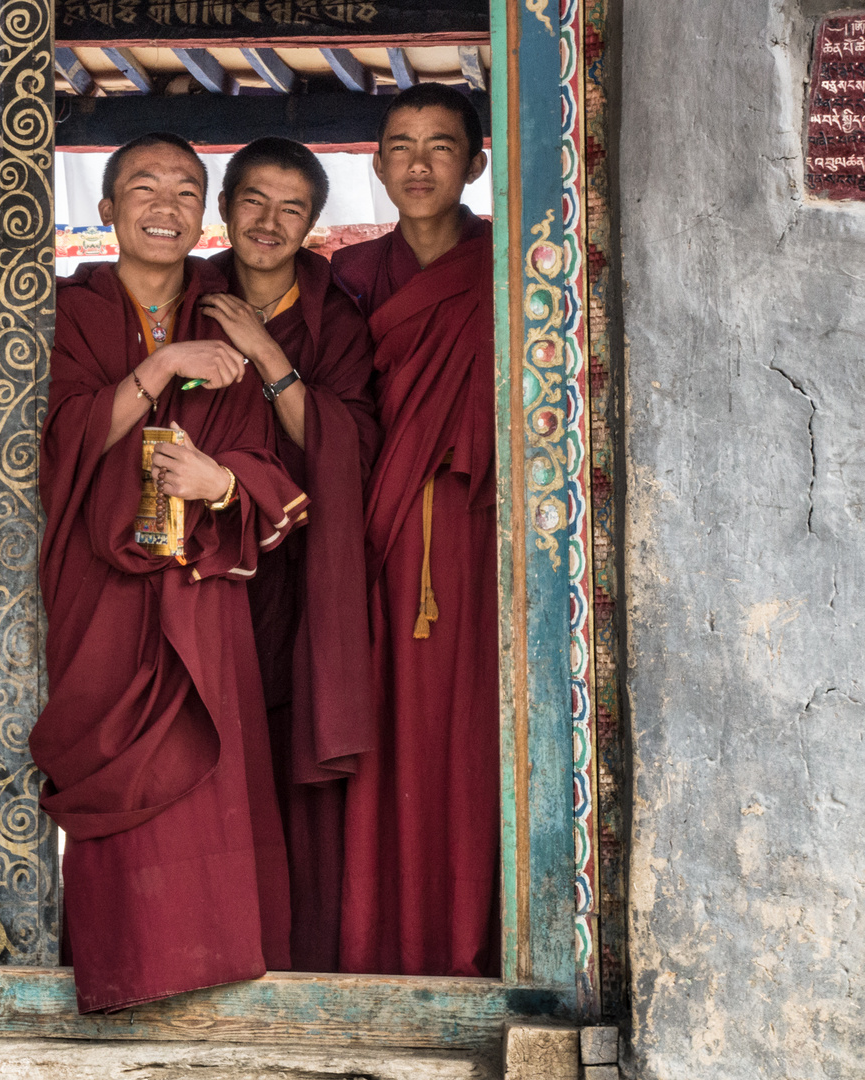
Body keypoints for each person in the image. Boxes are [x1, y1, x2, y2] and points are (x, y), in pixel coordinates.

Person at [32, 132, 311, 1012]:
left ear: (206, 214)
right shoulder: (66, 312)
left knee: (209, 771)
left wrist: (222, 481)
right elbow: (57, 442)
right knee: (116, 765)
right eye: (143, 188)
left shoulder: (229, 316)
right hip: (101, 586)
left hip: (199, 582)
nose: (165, 205)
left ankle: (219, 965)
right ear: (106, 209)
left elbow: (269, 457)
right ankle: (123, 965)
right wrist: (161, 366)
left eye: (186, 190)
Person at [330, 83, 500, 977]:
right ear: (378, 164)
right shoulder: (351, 280)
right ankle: (379, 946)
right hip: (378, 545)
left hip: (480, 548)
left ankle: (480, 938)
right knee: (383, 739)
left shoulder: (511, 269)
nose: (420, 163)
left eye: (442, 145)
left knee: (470, 743)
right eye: (401, 145)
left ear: (476, 161)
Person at [200, 137, 379, 972]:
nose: (268, 223)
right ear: (226, 205)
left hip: (300, 568)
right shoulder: (186, 295)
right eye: (254, 201)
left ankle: (292, 951)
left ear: (313, 222)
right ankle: (208, 939)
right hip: (199, 563)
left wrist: (268, 355)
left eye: (291, 208)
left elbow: (343, 445)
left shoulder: (332, 317)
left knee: (282, 743)